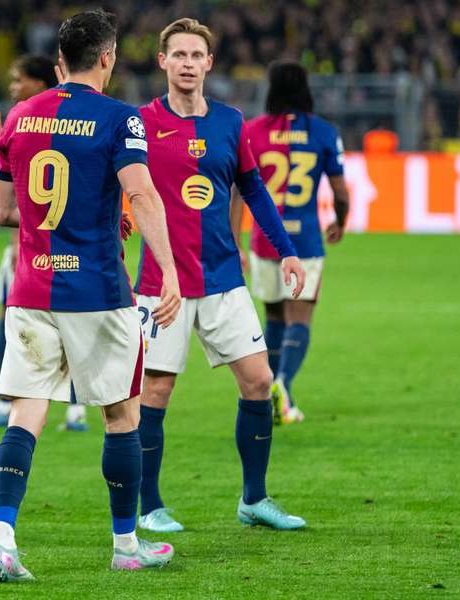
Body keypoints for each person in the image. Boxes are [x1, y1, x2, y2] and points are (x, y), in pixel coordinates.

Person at [0, 10, 181, 581]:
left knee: (25, 413)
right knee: (121, 415)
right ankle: (125, 545)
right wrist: (166, 269)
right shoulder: (122, 119)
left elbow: (2, 212)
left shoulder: (20, 117)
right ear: (107, 58)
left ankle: (2, 540)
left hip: (31, 288)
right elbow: (141, 193)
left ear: (57, 63)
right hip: (97, 289)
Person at [134, 18, 307, 534]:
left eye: (196, 55)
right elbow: (118, 184)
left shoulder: (232, 122)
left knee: (259, 382)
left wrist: (289, 253)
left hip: (224, 280)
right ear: (162, 61)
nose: (187, 63)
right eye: (178, 54)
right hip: (161, 283)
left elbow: (253, 191)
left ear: (210, 63)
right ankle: (149, 505)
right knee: (156, 392)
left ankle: (254, 499)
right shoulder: (140, 122)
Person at [0, 54, 89, 432]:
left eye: (18, 79)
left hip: (32, 249)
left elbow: (1, 206)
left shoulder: (23, 123)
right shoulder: (79, 122)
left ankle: (15, 405)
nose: (12, 86)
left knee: (19, 325)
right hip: (61, 246)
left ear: (40, 83)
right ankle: (72, 408)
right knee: (67, 325)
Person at [234, 60, 350, 425]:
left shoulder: (251, 131)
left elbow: (238, 192)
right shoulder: (323, 132)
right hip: (306, 240)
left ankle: (275, 391)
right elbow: (341, 191)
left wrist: (236, 241)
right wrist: (340, 220)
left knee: (273, 317)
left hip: (265, 239)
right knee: (301, 317)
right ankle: (281, 383)